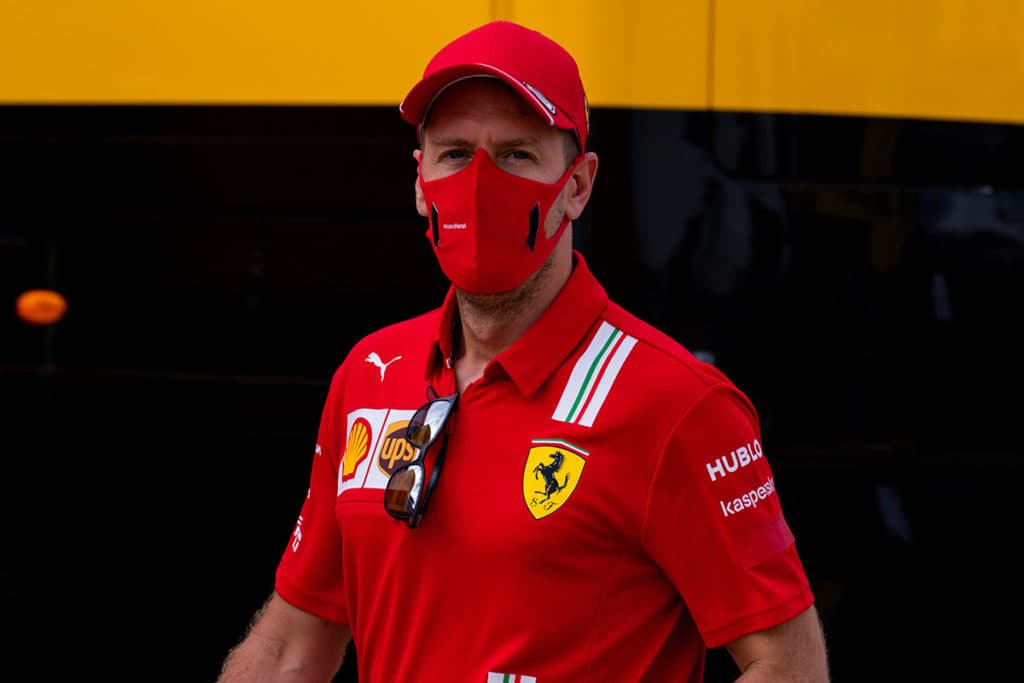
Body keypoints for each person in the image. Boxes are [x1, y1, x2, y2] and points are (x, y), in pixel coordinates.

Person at [217, 19, 830, 683]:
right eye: (455, 153)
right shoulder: (370, 374)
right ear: (420, 181)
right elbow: (289, 648)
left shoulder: (679, 405)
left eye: (516, 154)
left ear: (578, 185)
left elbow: (788, 666)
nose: (481, 183)